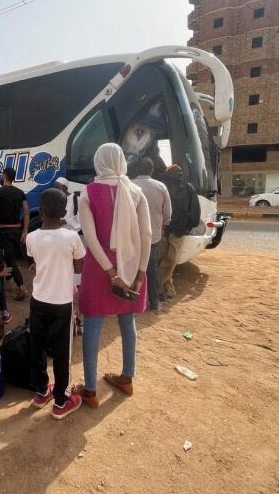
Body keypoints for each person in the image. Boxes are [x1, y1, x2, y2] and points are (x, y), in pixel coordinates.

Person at [77, 143, 152, 408]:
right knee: (127, 321)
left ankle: (90, 390)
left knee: (93, 325)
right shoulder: (136, 191)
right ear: (121, 161)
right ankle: (127, 377)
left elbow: (90, 238)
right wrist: (140, 273)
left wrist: (110, 273)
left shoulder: (88, 191)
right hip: (131, 266)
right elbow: (147, 236)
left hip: (99, 269)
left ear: (99, 162)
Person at [25, 188, 86, 420]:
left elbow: (39, 261)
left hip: (38, 300)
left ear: (40, 211)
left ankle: (41, 391)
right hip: (61, 302)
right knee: (62, 352)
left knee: (37, 345)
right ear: (64, 213)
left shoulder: (32, 237)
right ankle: (61, 400)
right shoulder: (72, 237)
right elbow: (79, 267)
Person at [132, 157, 172, 311]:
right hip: (153, 237)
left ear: (137, 169)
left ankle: (130, 302)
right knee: (151, 269)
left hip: (131, 236)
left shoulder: (129, 185)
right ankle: (154, 303)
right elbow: (168, 214)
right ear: (152, 170)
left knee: (131, 268)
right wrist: (161, 226)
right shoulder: (161, 186)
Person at [156, 165, 201, 299]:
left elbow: (195, 211)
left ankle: (154, 287)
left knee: (171, 260)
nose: (180, 174)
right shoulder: (162, 187)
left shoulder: (188, 188)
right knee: (162, 260)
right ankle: (167, 290)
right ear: (169, 175)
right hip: (164, 230)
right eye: (177, 172)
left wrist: (187, 228)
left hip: (179, 231)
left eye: (181, 172)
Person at [0, 167, 29, 301]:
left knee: (10, 260)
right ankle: (8, 283)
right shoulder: (20, 192)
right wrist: (25, 231)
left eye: (2, 175)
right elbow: (27, 212)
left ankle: (22, 287)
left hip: (4, 230)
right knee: (10, 257)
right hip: (17, 230)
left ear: (5, 176)